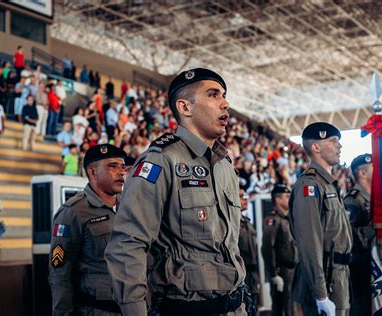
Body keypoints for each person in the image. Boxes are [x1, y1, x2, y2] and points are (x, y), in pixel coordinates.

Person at [105, 68, 251, 316]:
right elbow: (128, 244)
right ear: (185, 107)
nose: (225, 104)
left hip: (235, 307)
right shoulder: (161, 160)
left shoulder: (225, 164)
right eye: (214, 95)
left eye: (224, 95)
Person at [48, 144, 134, 315]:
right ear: (92, 172)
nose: (121, 172)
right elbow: (60, 274)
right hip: (97, 309)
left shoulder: (130, 206)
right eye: (112, 166)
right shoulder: (73, 212)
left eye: (122, 167)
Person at [289, 122, 352, 316]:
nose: (339, 146)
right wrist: (321, 294)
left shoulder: (329, 184)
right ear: (316, 147)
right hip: (326, 277)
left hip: (339, 275)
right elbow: (310, 242)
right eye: (333, 141)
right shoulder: (310, 185)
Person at [344, 154, 375, 316]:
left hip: (374, 259)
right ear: (362, 173)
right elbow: (349, 235)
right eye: (373, 168)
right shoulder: (353, 199)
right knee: (363, 306)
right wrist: (376, 228)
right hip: (360, 262)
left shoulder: (373, 197)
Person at [262, 183, 298, 316]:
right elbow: (267, 248)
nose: (290, 199)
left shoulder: (288, 219)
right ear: (277, 199)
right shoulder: (272, 220)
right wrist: (273, 274)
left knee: (292, 308)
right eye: (287, 196)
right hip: (281, 271)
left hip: (292, 270)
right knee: (283, 309)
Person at [238, 187, 260, 309]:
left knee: (254, 307)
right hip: (242, 276)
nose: (245, 200)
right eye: (241, 197)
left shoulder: (247, 223)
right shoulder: (232, 224)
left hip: (253, 275)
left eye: (246, 197)